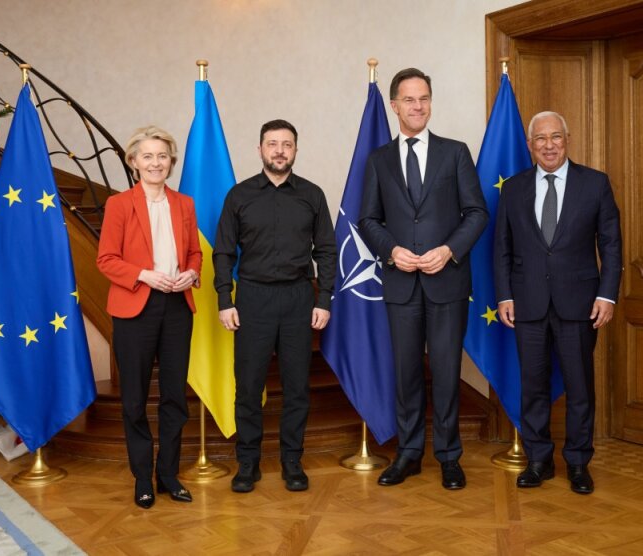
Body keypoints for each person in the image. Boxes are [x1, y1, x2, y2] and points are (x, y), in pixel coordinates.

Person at [359, 68, 489, 490]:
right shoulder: (378, 159)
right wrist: (392, 251)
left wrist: (449, 250)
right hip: (400, 284)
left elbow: (477, 213)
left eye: (425, 98)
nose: (418, 106)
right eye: (410, 100)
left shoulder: (455, 152)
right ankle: (409, 454)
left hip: (447, 281)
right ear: (394, 106)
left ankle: (449, 455)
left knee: (449, 371)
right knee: (407, 373)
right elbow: (368, 218)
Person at [493, 111, 623, 495]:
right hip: (527, 304)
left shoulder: (595, 184)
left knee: (580, 385)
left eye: (555, 138)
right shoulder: (514, 188)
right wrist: (504, 294)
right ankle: (539, 460)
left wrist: (607, 293)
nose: (548, 145)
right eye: (540, 139)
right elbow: (502, 247)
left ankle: (579, 463)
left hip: (580, 304)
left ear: (567, 140)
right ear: (530, 145)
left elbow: (611, 245)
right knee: (532, 385)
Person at [213, 119, 337, 493]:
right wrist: (224, 299)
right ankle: (247, 464)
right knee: (248, 387)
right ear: (260, 149)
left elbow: (326, 251)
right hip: (252, 298)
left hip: (299, 298)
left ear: (296, 150)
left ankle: (292, 462)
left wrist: (324, 299)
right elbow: (222, 252)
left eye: (286, 144)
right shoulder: (239, 195)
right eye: (272, 143)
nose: (279, 150)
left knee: (297, 386)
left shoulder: (312, 195)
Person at [96, 126, 202, 509]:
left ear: (171, 162)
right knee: (135, 399)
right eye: (148, 156)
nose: (156, 163)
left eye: (162, 156)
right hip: (134, 307)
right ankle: (142, 477)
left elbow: (194, 254)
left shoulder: (185, 204)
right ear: (134, 161)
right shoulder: (119, 205)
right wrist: (143, 274)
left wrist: (192, 273)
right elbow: (106, 259)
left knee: (175, 396)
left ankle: (168, 474)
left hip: (176, 308)